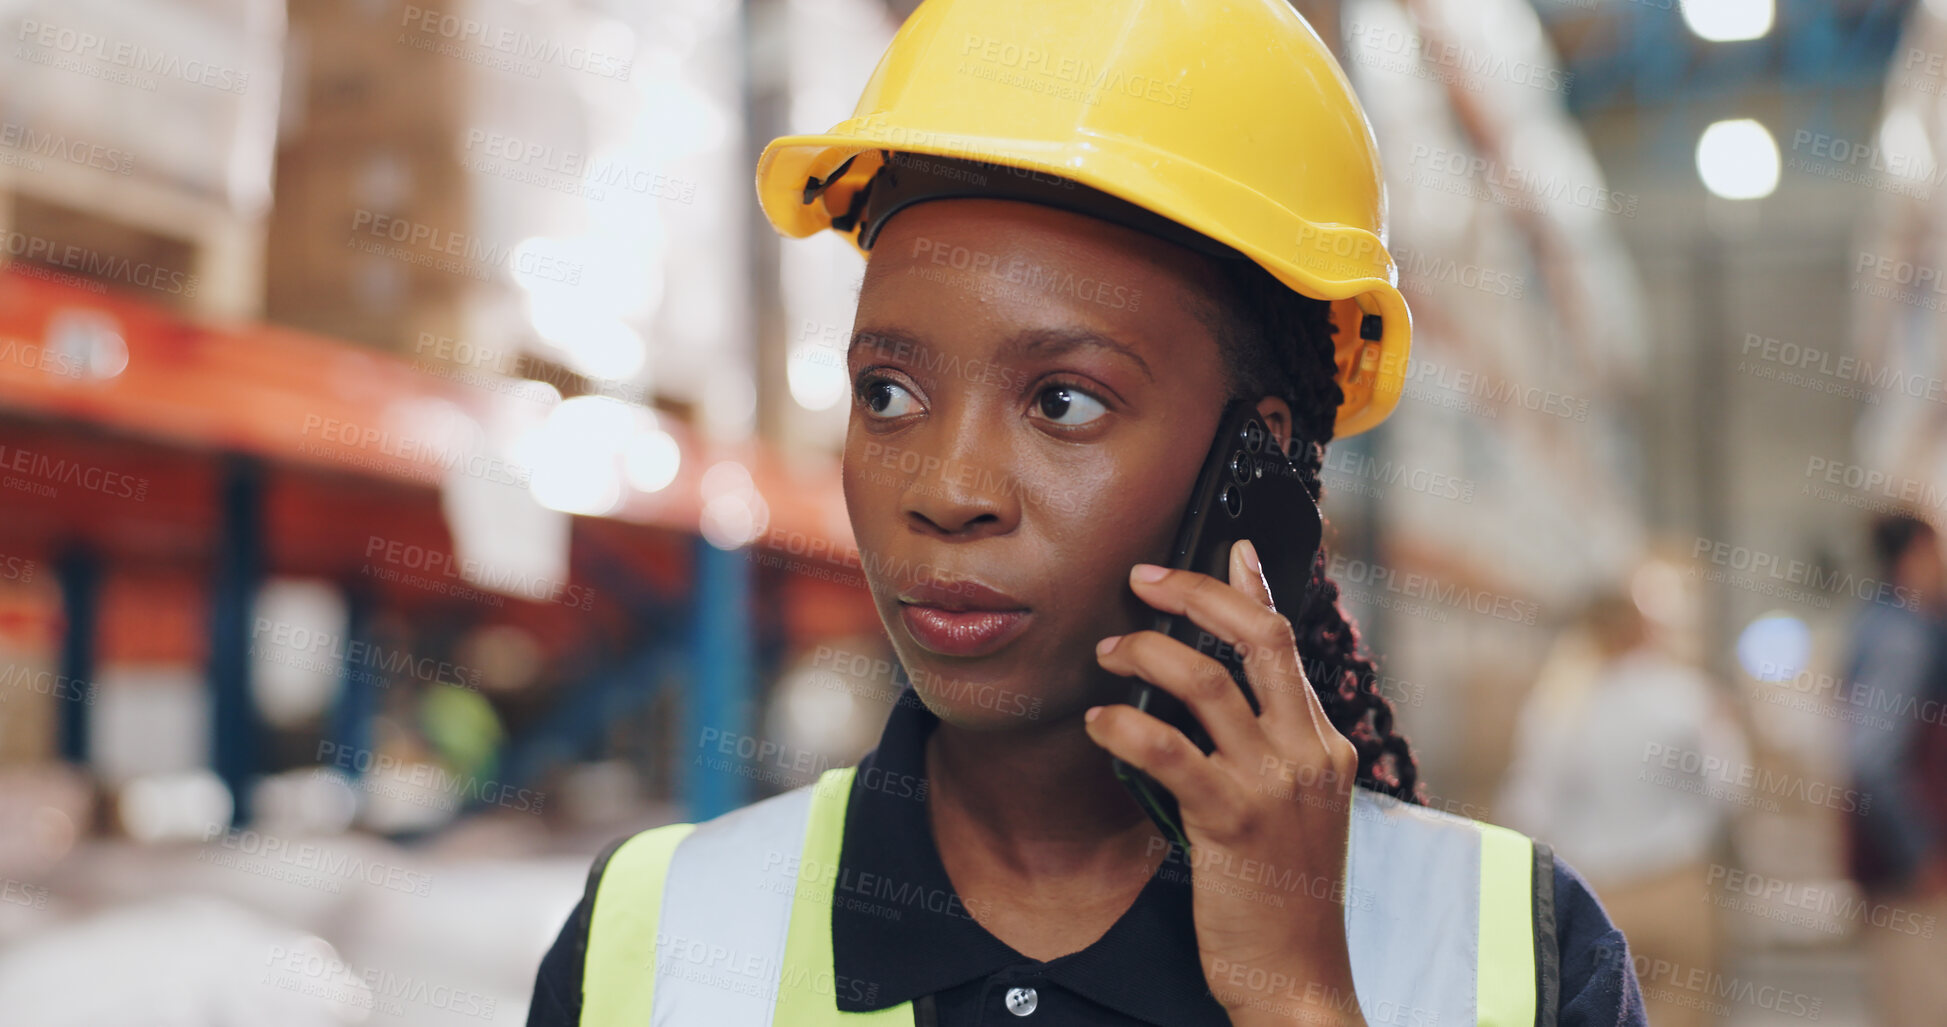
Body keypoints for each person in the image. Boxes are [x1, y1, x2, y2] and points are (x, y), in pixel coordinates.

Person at [527, 1, 1646, 1023]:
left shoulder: (1522, 954)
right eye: (890, 393)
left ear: (1256, 462)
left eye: (1063, 401)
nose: (947, 490)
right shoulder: (652, 939)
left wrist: (1300, 999)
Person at [1497, 580, 1748, 1027]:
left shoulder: (1555, 705)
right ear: (1643, 628)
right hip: (1675, 883)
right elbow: (1730, 787)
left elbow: (1529, 807)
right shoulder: (1687, 695)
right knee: (1684, 1011)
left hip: (1593, 893)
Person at [1843, 512, 1947, 1027]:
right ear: (1913, 559)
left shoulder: (1884, 626)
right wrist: (1919, 852)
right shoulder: (1902, 636)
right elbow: (1872, 760)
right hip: (1911, 879)